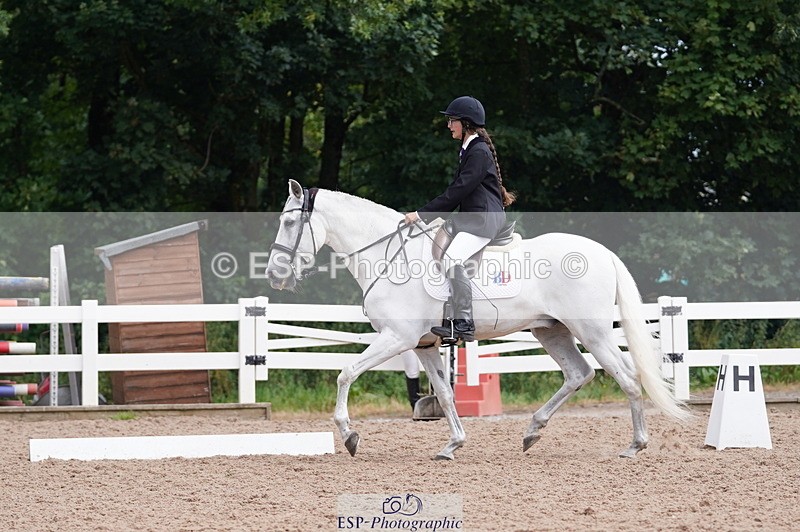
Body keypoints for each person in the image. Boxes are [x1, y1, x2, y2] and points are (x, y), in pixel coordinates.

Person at [404, 96, 515, 343]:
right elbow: (458, 190)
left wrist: (422, 214)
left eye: (452, 121)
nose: (448, 125)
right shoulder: (469, 149)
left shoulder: (478, 152)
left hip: (483, 220)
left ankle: (463, 323)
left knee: (453, 258)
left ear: (465, 123)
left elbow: (459, 190)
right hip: (474, 217)